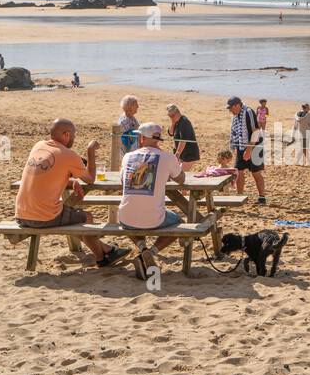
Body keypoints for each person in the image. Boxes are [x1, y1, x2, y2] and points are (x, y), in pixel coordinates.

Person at [14, 119, 126, 267]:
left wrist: (71, 182)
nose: (74, 138)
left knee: (74, 218)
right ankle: (101, 258)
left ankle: (108, 249)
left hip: (21, 214)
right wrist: (90, 152)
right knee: (87, 218)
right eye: (73, 135)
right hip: (43, 217)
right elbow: (90, 179)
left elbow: (47, 175)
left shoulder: (39, 146)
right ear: (66, 135)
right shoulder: (68, 155)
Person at [119, 123, 186, 277]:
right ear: (158, 139)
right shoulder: (167, 157)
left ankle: (143, 248)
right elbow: (181, 179)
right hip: (155, 219)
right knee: (179, 223)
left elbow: (124, 182)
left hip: (126, 217)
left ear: (141, 138)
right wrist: (170, 168)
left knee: (131, 213)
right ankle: (152, 251)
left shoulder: (128, 157)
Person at [227, 97, 266, 204]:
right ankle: (239, 196)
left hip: (255, 145)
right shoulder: (236, 116)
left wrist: (249, 149)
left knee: (256, 172)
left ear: (237, 105)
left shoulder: (248, 112)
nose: (230, 111)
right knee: (238, 171)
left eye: (231, 108)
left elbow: (256, 131)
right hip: (241, 145)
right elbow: (235, 132)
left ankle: (262, 198)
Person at [166, 104, 199, 169]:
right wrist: (172, 123)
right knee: (176, 172)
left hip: (189, 154)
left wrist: (177, 155)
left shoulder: (184, 122)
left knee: (179, 173)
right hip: (182, 154)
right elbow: (171, 133)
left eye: (172, 115)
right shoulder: (176, 122)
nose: (171, 117)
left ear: (178, 112)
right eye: (169, 116)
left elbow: (183, 140)